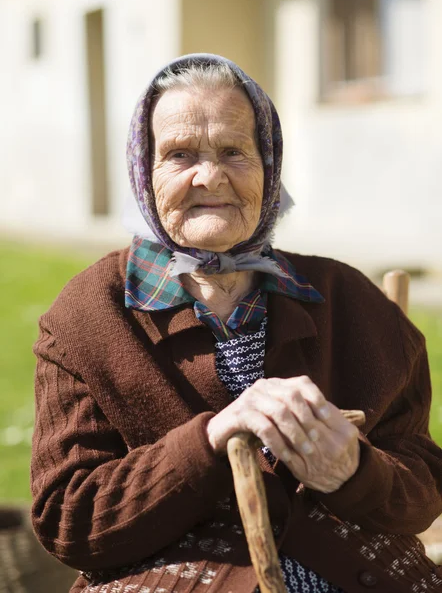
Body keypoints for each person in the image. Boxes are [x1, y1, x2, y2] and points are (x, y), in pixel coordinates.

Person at [31, 54, 442, 593]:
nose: (211, 176)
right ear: (142, 168)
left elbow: (423, 486)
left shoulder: (352, 301)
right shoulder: (88, 316)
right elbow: (70, 519)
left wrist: (357, 473)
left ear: (268, 164)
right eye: (180, 155)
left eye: (234, 151)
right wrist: (211, 439)